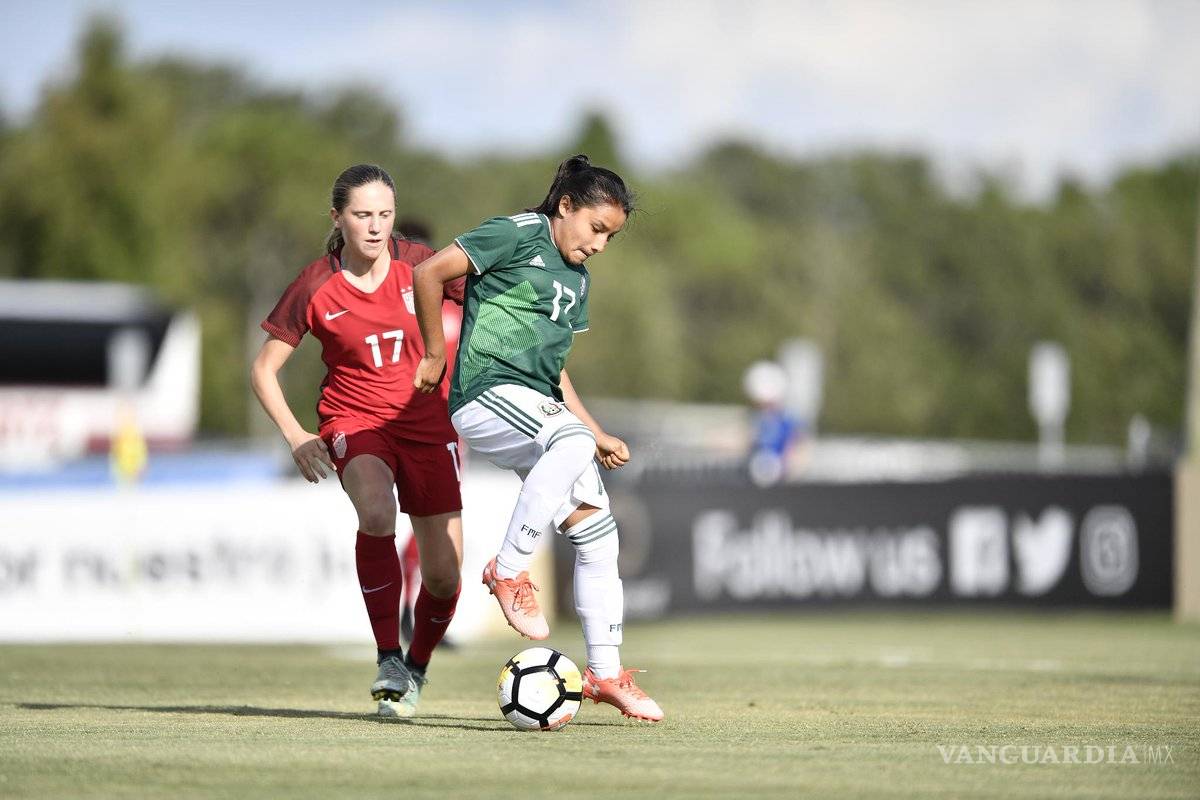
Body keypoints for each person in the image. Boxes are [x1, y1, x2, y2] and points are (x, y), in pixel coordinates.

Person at [411, 154, 664, 722]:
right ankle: (508, 569)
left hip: (539, 410)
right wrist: (433, 353)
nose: (600, 245)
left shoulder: (578, 279)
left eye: (610, 237)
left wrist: (595, 431)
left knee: (598, 535)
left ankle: (604, 674)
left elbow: (554, 370)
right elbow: (427, 273)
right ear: (565, 206)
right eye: (596, 228)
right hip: (484, 393)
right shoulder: (515, 233)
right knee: (570, 443)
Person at [250, 164, 465, 718]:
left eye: (384, 215)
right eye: (362, 214)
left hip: (427, 425)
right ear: (337, 218)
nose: (374, 226)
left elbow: (492, 298)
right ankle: (388, 655)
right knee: (375, 510)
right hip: (355, 419)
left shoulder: (423, 264)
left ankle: (416, 667)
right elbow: (264, 369)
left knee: (445, 576)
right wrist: (296, 435)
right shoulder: (315, 284)